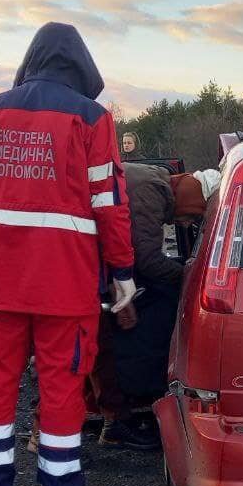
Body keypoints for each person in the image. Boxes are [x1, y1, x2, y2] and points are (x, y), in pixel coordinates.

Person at [0, 22, 135, 486]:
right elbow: (110, 205)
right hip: (66, 285)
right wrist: (122, 272)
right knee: (62, 388)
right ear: (82, 66)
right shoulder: (92, 118)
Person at [92, 160, 182, 450]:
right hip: (80, 270)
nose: (185, 224)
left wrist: (118, 285)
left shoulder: (144, 181)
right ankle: (112, 423)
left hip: (87, 266)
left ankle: (112, 420)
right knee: (90, 346)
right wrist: (190, 277)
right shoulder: (149, 189)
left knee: (87, 348)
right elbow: (144, 256)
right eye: (192, 216)